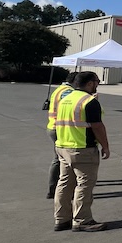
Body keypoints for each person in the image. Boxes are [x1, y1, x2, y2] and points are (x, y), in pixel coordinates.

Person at [53, 71, 109, 232]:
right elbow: (97, 126)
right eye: (97, 81)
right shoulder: (89, 101)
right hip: (82, 148)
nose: (97, 85)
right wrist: (105, 146)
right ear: (90, 83)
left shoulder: (65, 99)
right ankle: (82, 220)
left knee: (64, 184)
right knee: (84, 185)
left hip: (62, 146)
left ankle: (61, 218)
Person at [45, 71, 77, 199]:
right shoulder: (68, 92)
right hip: (60, 129)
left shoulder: (60, 89)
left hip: (53, 126)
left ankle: (54, 188)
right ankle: (55, 189)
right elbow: (72, 107)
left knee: (58, 158)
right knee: (62, 159)